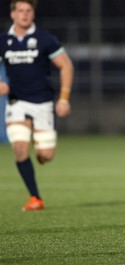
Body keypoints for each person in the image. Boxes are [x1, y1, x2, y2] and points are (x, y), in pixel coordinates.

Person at [0, 0, 74, 211]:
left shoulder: (44, 39)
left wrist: (64, 98)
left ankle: (39, 145)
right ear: (13, 14)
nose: (24, 14)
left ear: (33, 14)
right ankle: (35, 198)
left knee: (45, 155)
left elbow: (66, 65)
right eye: (20, 10)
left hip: (43, 104)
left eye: (28, 11)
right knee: (20, 148)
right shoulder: (3, 40)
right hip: (17, 103)